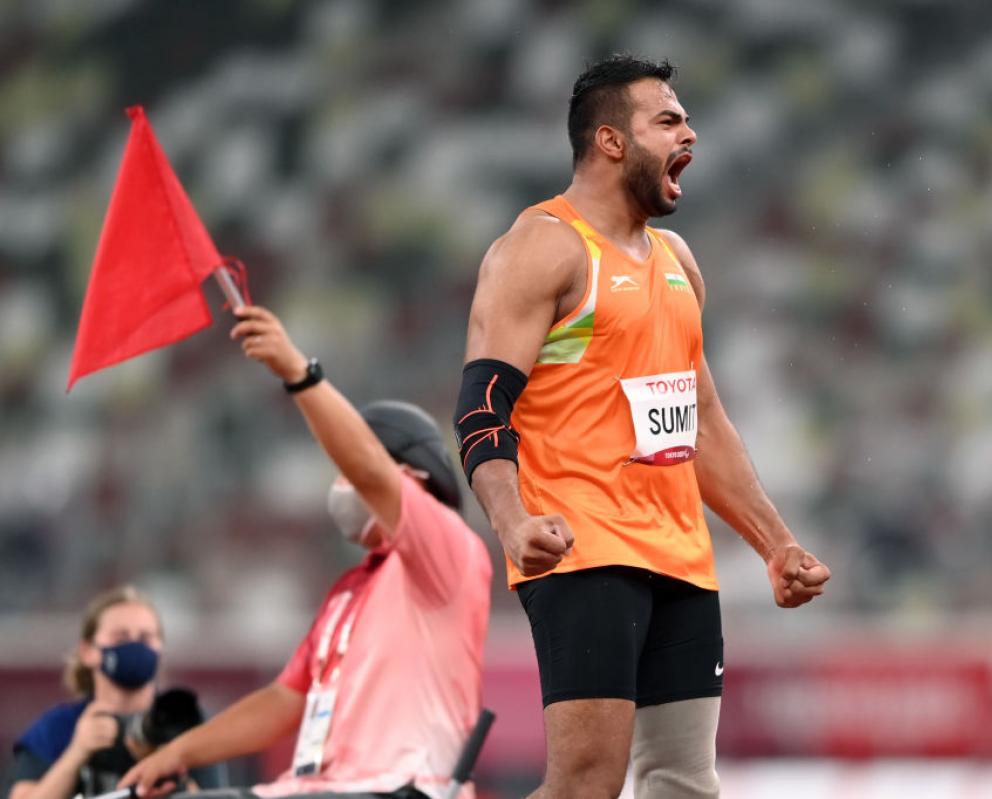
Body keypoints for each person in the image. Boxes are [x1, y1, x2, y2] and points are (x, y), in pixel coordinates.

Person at [454, 54, 832, 798]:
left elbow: (703, 423)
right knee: (587, 785)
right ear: (610, 142)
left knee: (685, 783)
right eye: (668, 119)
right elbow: (480, 405)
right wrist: (511, 520)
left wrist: (775, 543)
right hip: (585, 546)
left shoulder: (677, 261)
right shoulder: (544, 247)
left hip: (680, 555)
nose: (690, 131)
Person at [120, 305, 492, 799]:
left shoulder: (449, 550)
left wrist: (298, 373)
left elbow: (370, 472)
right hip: (316, 788)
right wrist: (179, 753)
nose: (340, 485)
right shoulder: (351, 590)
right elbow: (283, 701)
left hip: (400, 788)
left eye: (347, 469)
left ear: (414, 475)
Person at [6, 585, 223, 799]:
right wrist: (75, 754)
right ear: (88, 651)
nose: (134, 646)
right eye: (121, 637)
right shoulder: (59, 726)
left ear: (161, 650)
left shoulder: (186, 722)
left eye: (146, 638)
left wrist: (165, 767)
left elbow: (215, 797)